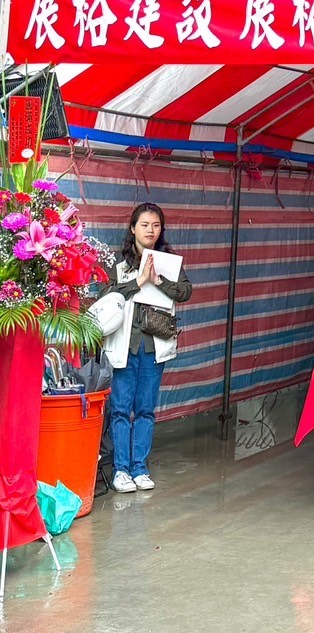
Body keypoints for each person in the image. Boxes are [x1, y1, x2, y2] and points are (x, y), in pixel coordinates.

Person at [103, 203, 193, 494]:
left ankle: (140, 468)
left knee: (145, 409)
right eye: (144, 225)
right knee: (120, 409)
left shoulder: (169, 262)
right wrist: (139, 281)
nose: (150, 230)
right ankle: (121, 470)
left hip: (154, 346)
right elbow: (105, 296)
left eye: (155, 225)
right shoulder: (118, 264)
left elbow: (185, 291)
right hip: (124, 344)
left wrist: (158, 280)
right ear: (133, 228)